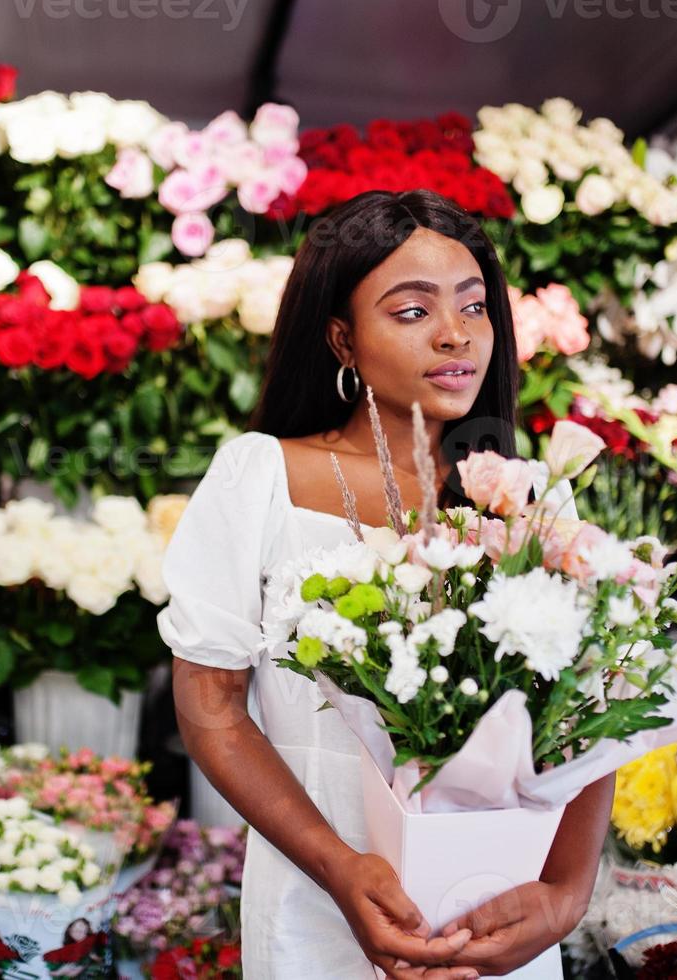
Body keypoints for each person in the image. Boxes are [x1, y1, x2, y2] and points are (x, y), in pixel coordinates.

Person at [157, 189, 615, 979]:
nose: (454, 335)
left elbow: (588, 712)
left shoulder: (528, 495)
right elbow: (213, 707)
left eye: (474, 308)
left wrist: (564, 895)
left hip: (496, 921)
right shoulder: (260, 477)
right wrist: (337, 866)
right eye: (411, 312)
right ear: (342, 337)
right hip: (317, 904)